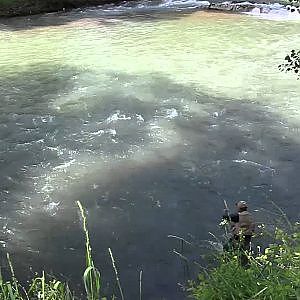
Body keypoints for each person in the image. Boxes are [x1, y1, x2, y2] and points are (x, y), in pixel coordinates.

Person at [222, 201, 255, 266]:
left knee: (226, 247)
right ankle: (244, 264)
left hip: (238, 237)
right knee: (244, 250)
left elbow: (225, 217)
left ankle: (227, 261)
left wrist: (225, 212)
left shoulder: (237, 216)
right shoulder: (250, 216)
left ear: (239, 208)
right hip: (248, 237)